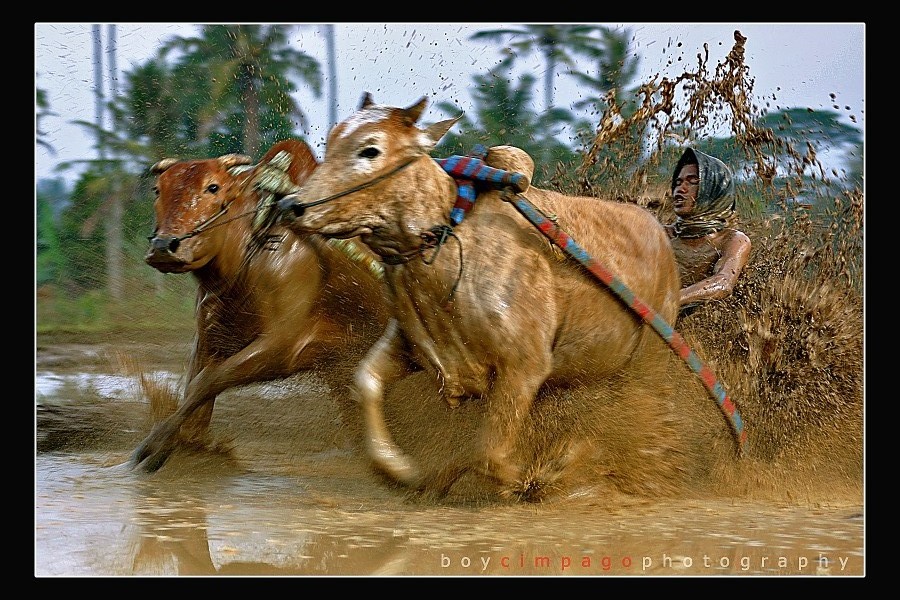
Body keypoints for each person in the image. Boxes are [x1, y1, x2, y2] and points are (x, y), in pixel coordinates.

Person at [665, 148, 751, 311]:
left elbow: (723, 283)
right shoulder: (663, 235)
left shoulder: (731, 240)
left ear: (712, 190)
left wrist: (669, 300)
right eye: (678, 182)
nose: (680, 189)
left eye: (692, 182)